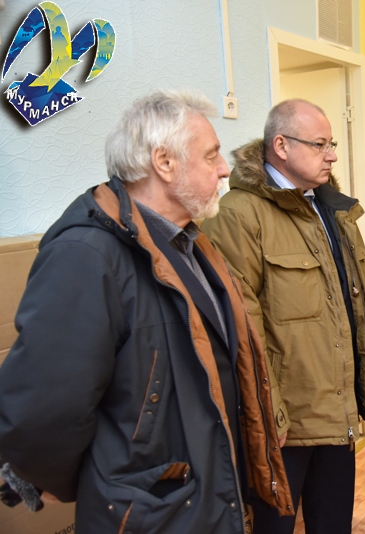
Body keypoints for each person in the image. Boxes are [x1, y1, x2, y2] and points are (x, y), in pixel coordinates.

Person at [0, 90, 292, 533]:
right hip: (150, 511)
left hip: (203, 499)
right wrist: (67, 479)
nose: (224, 168)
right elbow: (43, 407)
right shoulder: (87, 255)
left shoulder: (191, 243)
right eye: (211, 155)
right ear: (164, 162)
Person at [201, 98, 365, 534]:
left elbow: (353, 304)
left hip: (337, 408)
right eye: (320, 144)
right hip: (285, 420)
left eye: (332, 144)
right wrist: (269, 412)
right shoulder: (239, 215)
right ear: (281, 146)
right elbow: (240, 326)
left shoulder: (331, 208)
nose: (332, 155)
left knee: (334, 523)